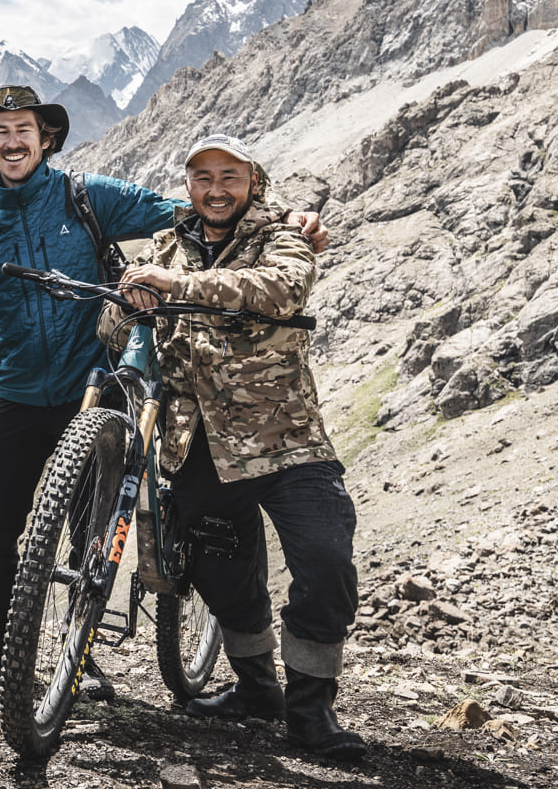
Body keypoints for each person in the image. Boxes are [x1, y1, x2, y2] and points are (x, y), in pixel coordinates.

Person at [0, 85, 326, 698]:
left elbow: (196, 208)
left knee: (89, 531)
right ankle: (6, 642)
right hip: (17, 393)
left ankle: (77, 653)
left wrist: (287, 220)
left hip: (95, 386)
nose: (12, 141)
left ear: (45, 139)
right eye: (1, 131)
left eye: (23, 129)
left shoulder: (88, 196)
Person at [98, 133, 363, 761]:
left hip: (287, 441)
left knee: (326, 565)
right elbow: (114, 330)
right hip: (197, 449)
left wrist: (175, 285)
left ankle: (311, 711)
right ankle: (257, 689)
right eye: (203, 177)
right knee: (222, 577)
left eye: (229, 177)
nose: (215, 189)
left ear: (253, 182)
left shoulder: (283, 234)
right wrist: (130, 302)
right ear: (189, 186)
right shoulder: (165, 245)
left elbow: (281, 290)